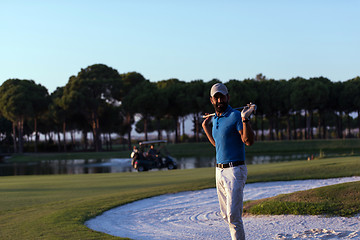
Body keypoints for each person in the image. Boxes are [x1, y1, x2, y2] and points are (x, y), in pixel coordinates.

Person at [202, 83, 255, 240]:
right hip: (219, 171)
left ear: (228, 97)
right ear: (211, 100)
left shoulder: (235, 116)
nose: (219, 101)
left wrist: (245, 119)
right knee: (226, 215)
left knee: (233, 216)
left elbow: (248, 141)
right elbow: (217, 145)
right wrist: (205, 128)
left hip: (234, 170)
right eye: (216, 98)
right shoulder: (215, 119)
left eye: (222, 97)